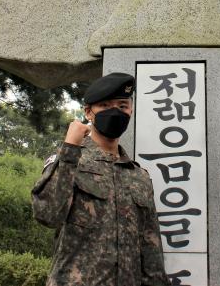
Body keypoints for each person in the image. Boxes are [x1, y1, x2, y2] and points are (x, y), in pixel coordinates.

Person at [31, 72, 169, 286]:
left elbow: (150, 248)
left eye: (122, 106)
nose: (115, 112)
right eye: (105, 106)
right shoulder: (70, 160)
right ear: (89, 112)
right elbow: (48, 215)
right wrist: (69, 150)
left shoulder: (139, 176)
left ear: (131, 111)